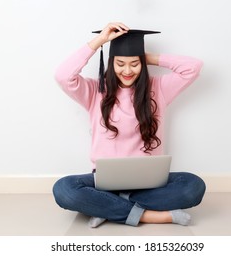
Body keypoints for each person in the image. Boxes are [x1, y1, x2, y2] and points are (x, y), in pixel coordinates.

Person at [52, 22, 206, 228]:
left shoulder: (158, 88)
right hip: (104, 184)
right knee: (64, 189)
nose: (127, 70)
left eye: (134, 63)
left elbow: (193, 67)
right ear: (111, 63)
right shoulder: (95, 91)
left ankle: (107, 208)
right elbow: (62, 75)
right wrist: (99, 41)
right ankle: (149, 215)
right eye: (120, 63)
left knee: (193, 186)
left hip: (148, 183)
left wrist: (145, 56)